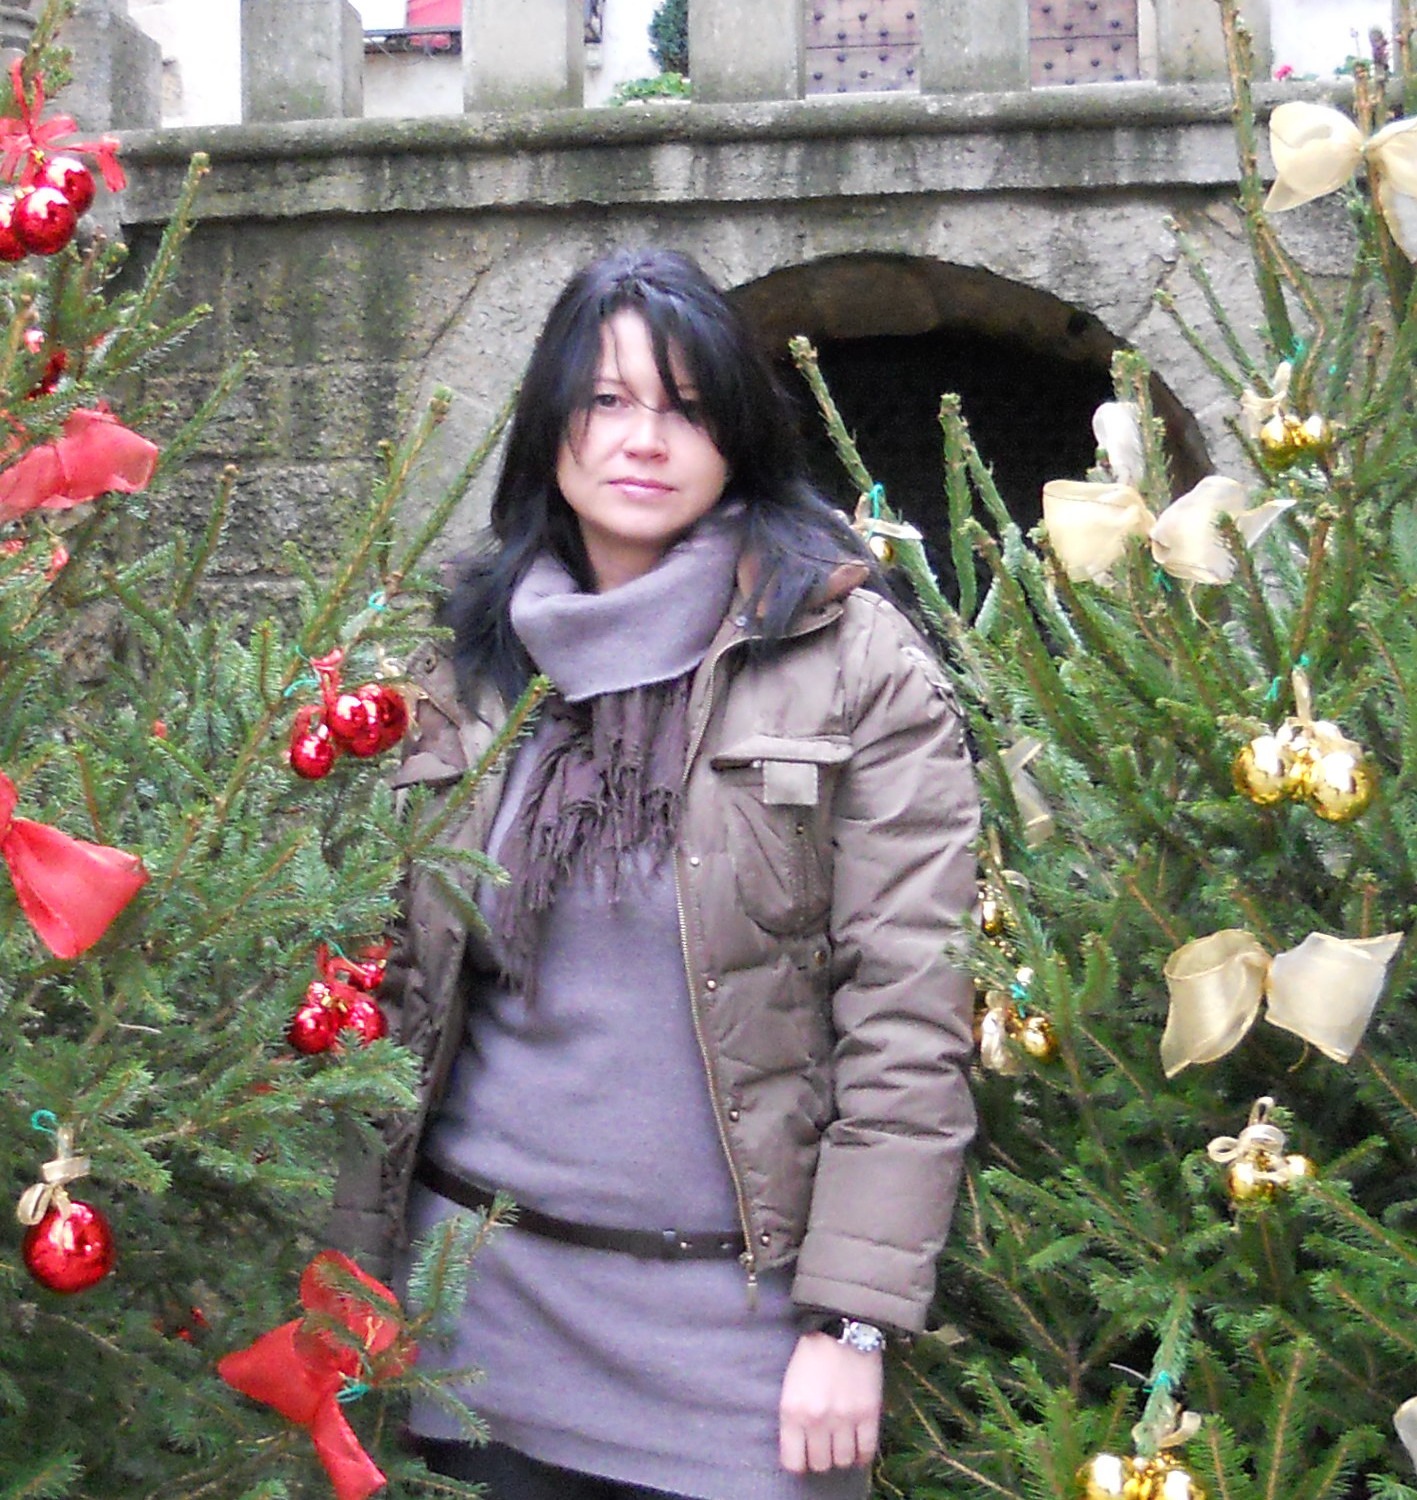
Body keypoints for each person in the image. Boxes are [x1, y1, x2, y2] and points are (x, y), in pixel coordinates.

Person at [328, 246, 979, 1500]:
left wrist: (851, 1320)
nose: (643, 439)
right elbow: (389, 990)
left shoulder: (850, 659)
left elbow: (908, 1013)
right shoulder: (461, 658)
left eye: (684, 407)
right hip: (474, 1316)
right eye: (607, 400)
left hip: (739, 1343)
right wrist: (348, 1266)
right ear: (551, 425)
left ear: (736, 434)